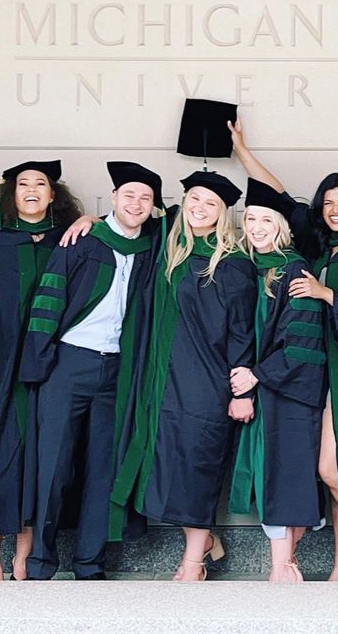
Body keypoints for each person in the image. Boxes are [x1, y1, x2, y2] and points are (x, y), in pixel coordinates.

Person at [230, 120, 338, 582]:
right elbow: (276, 197)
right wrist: (242, 150)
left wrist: (327, 295)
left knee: (333, 469)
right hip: (314, 377)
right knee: (331, 469)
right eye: (329, 202)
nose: (336, 209)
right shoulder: (312, 244)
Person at [18, 161, 163, 580]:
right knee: (54, 465)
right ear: (113, 199)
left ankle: (90, 562)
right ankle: (41, 561)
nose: (136, 203)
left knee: (105, 467)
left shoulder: (152, 245)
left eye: (145, 198)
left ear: (153, 208)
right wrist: (40, 362)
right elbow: (48, 299)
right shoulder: (82, 241)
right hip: (69, 364)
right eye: (128, 195)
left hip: (117, 371)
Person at [111, 171, 256, 582]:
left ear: (223, 213)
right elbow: (127, 217)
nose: (199, 208)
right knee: (165, 464)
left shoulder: (232, 264)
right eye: (193, 198)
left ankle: (193, 561)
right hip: (162, 380)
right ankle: (204, 540)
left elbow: (242, 331)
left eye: (210, 203)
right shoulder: (170, 246)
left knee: (197, 464)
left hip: (206, 383)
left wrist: (240, 391)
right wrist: (86, 219)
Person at [0, 160, 82, 581]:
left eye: (41, 183)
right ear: (9, 195)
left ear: (54, 195)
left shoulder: (69, 241)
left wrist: (87, 219)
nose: (31, 189)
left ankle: (26, 553)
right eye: (22, 184)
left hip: (46, 361)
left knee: (40, 454)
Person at [228, 178, 327, 583]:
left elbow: (301, 341)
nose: (256, 226)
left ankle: (281, 569)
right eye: (250, 218)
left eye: (266, 219)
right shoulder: (243, 265)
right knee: (275, 475)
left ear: (281, 225)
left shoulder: (293, 268)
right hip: (263, 388)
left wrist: (256, 376)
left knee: (284, 474)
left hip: (289, 391)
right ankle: (285, 565)